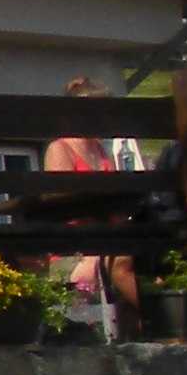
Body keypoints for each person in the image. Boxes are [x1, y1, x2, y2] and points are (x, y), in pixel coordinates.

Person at [45, 78, 141, 323]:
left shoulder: (100, 150)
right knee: (121, 261)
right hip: (75, 246)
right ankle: (161, 321)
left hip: (106, 238)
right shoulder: (60, 148)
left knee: (145, 255)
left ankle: (146, 329)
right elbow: (59, 207)